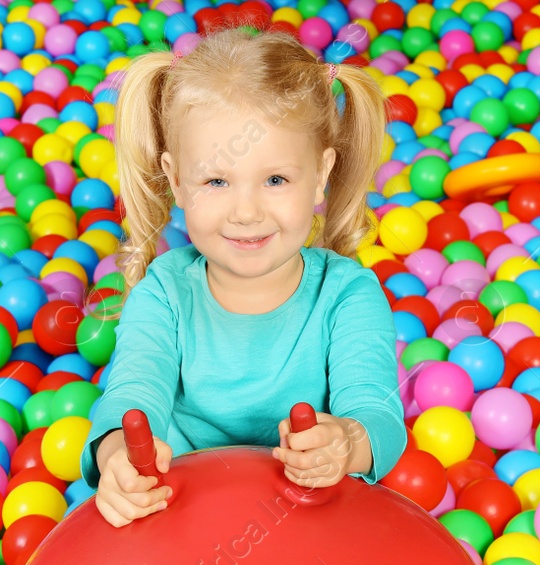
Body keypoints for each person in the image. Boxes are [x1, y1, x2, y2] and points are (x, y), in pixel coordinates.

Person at [80, 27, 407, 527]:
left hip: (310, 515)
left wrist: (345, 443)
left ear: (320, 175)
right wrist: (117, 458)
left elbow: (377, 414)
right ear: (176, 182)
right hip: (176, 510)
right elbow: (131, 392)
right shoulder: (165, 293)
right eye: (216, 181)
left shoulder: (349, 295)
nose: (246, 212)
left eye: (275, 180)